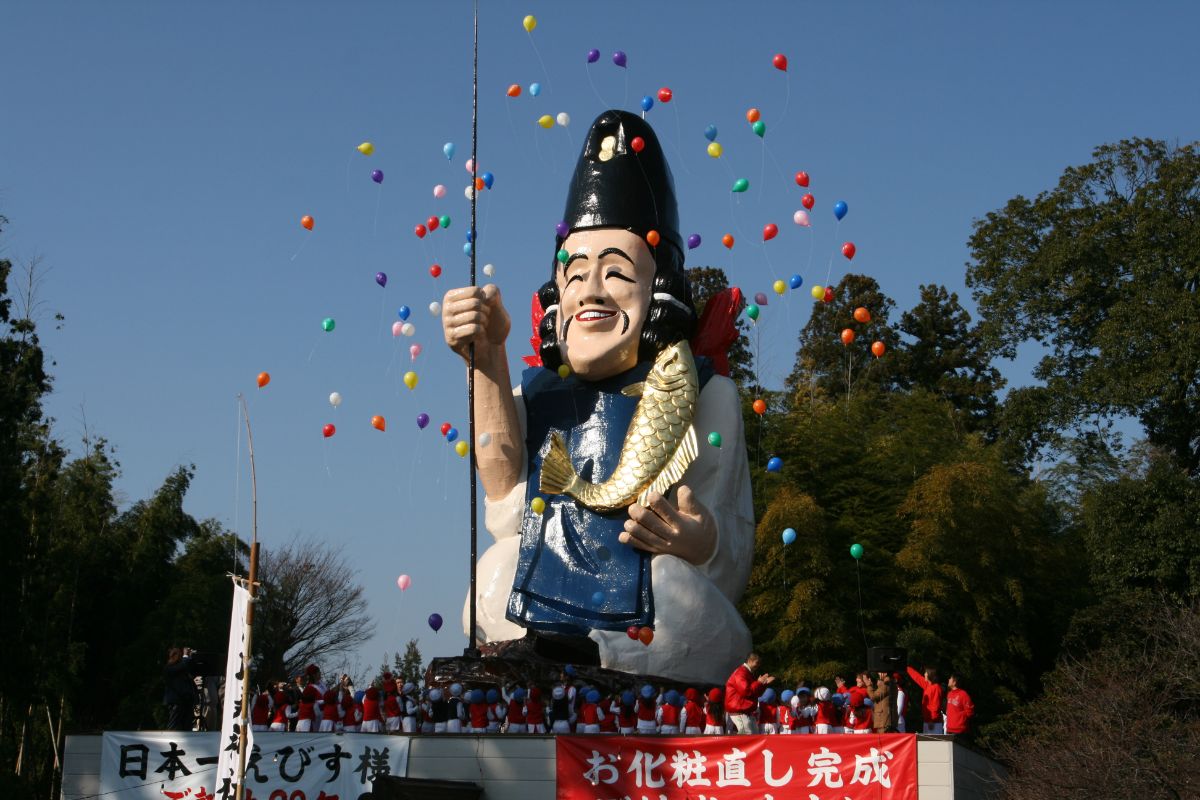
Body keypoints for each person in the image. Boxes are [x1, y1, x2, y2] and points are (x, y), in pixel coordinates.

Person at [442, 110, 754, 686]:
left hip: (643, 597)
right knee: (490, 575)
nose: (590, 291)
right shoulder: (536, 388)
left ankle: (586, 659)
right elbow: (504, 498)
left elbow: (727, 539)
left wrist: (699, 538)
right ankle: (552, 656)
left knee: (685, 601)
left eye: (615, 273)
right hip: (541, 575)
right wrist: (486, 358)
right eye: (574, 271)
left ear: (656, 290)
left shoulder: (706, 390)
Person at [724, 652, 775, 734]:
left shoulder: (747, 673)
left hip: (746, 712)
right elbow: (745, 691)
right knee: (747, 739)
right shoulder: (741, 672)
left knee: (754, 737)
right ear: (750, 661)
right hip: (740, 711)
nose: (758, 665)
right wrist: (759, 682)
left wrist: (763, 684)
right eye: (757, 662)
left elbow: (755, 693)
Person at [163, 648, 196, 731]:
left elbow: (187, 668)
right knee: (174, 724)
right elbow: (182, 666)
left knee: (187, 725)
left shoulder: (182, 669)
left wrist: (191, 658)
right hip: (176, 701)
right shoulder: (169, 668)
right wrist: (185, 656)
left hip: (186, 700)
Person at [906, 665, 946, 734]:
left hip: (934, 723)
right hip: (928, 722)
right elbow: (917, 677)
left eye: (926, 673)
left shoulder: (936, 688)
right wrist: (906, 667)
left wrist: (932, 720)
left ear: (930, 674)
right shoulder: (927, 685)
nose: (924, 674)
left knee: (934, 744)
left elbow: (936, 706)